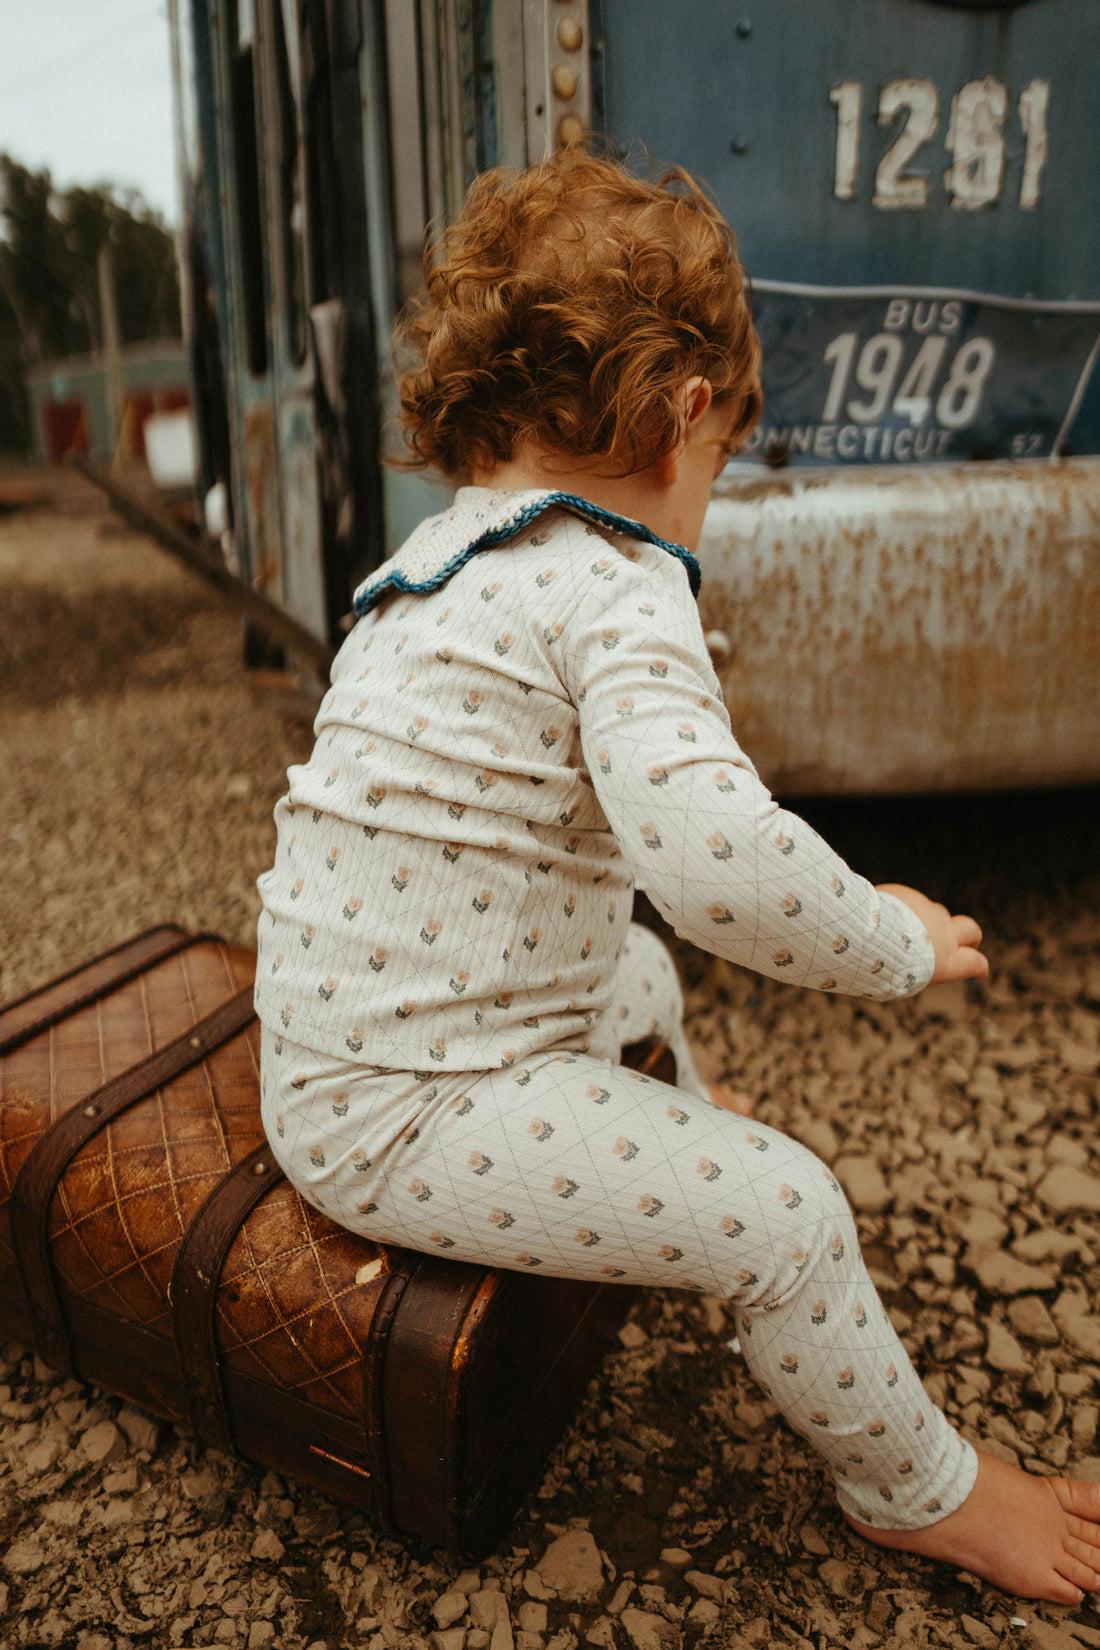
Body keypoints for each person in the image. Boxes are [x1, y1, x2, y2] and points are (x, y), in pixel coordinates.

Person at [255, 147, 1100, 1603]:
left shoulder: (432, 562)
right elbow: (716, 862)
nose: (707, 493)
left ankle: (677, 1122)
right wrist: (890, 936)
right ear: (685, 415)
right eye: (720, 465)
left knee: (632, 970)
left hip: (333, 1050)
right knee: (787, 1217)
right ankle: (918, 1489)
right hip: (408, 1111)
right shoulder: (619, 582)